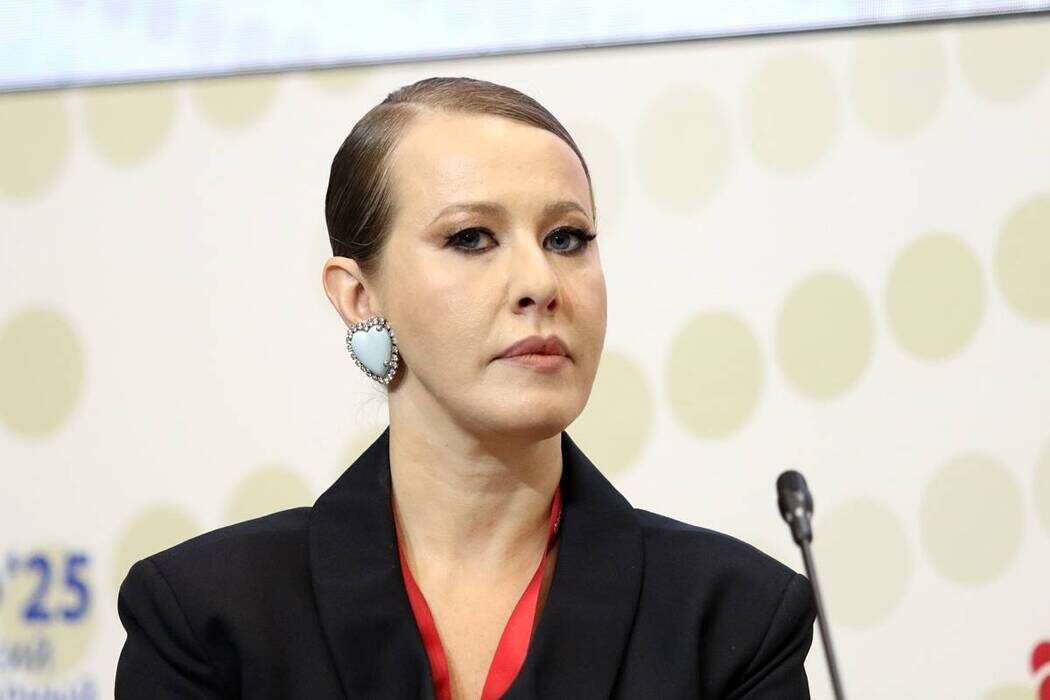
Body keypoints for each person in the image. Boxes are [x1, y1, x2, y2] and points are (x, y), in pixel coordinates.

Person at [115, 76, 817, 699]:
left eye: (567, 238)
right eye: (472, 238)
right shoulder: (208, 619)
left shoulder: (735, 619)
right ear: (359, 297)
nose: (539, 283)